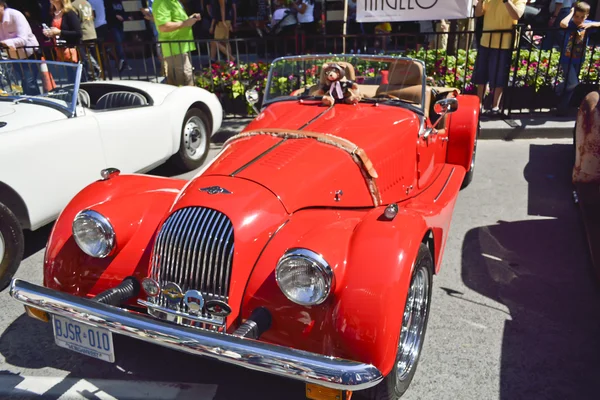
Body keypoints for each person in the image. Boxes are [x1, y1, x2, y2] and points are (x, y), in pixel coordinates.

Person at [473, 0, 526, 117]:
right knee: (481, 75)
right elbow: (478, 14)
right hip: (486, 40)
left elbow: (517, 15)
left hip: (504, 43)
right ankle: (479, 104)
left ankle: (495, 106)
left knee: (499, 76)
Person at [555, 2, 600, 115]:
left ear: (586, 16)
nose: (579, 19)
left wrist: (591, 24)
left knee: (571, 85)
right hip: (567, 58)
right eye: (577, 16)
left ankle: (562, 107)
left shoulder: (586, 25)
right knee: (573, 83)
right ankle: (557, 88)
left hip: (579, 59)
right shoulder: (570, 24)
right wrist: (571, 13)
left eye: (582, 17)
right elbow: (562, 24)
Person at [153, 0, 200, 86]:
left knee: (184, 80)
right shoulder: (161, 2)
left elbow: (178, 21)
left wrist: (190, 19)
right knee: (185, 81)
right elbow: (163, 27)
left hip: (181, 48)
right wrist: (185, 23)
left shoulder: (174, 1)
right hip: (174, 49)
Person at [0, 1, 41, 95]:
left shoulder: (15, 15)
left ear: (1, 6)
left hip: (30, 54)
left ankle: (37, 103)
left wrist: (4, 43)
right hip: (14, 57)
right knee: (23, 83)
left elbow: (23, 40)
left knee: (29, 82)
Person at [43, 0, 82, 84]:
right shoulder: (52, 13)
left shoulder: (70, 13)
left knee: (75, 79)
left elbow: (78, 33)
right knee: (67, 79)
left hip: (70, 51)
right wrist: (49, 33)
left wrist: (60, 32)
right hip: (59, 51)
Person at [72, 0, 101, 81]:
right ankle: (94, 71)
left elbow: (75, 21)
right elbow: (93, 16)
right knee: (90, 54)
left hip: (83, 33)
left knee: (85, 56)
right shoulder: (87, 3)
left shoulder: (74, 5)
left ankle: (94, 70)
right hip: (91, 31)